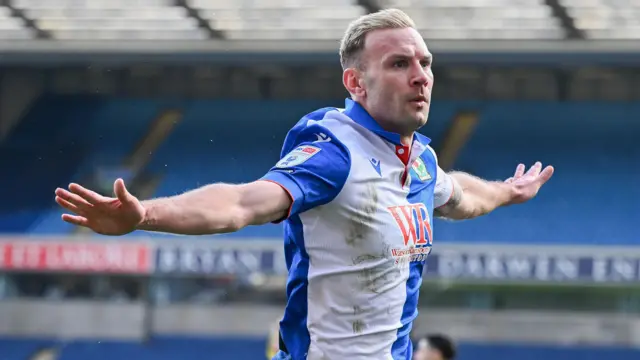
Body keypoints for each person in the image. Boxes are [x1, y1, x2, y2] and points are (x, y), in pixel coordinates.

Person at [53, 8, 554, 360]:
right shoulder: (334, 154)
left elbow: (462, 197)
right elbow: (242, 202)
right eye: (399, 64)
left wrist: (508, 192)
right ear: (355, 84)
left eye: (425, 63)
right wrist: (144, 215)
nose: (421, 76)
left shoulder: (419, 160)